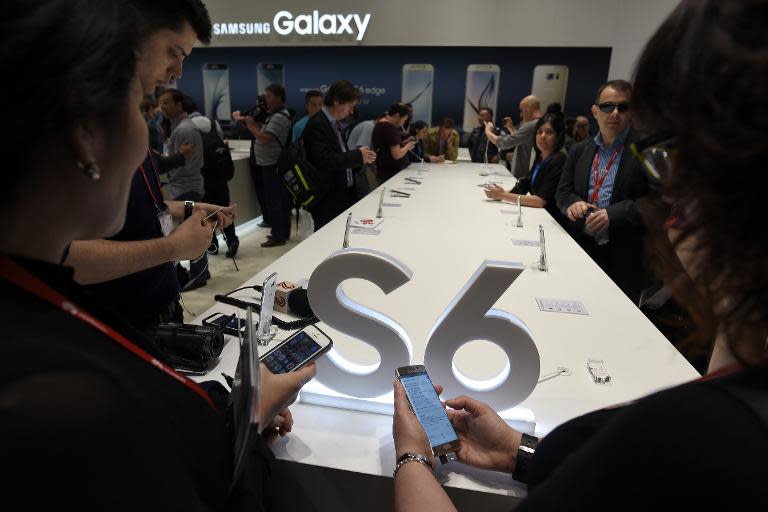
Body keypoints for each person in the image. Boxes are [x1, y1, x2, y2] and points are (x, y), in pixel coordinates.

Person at [393, 1, 768, 509]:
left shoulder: (692, 436)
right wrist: (518, 453)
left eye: (670, 157)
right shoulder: (709, 412)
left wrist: (412, 454)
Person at [0, 0, 317, 508]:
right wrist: (246, 425)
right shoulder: (65, 397)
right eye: (140, 101)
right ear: (86, 131)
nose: (147, 135)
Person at [63, 1, 234, 330]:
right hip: (117, 323)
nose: (178, 73)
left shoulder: (126, 118)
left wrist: (188, 207)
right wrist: (172, 247)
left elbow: (141, 207)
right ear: (132, 34)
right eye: (173, 52)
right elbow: (63, 254)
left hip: (159, 308)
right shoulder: (70, 127)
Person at [556, 79, 650, 302]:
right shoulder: (579, 150)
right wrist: (572, 203)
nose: (615, 113)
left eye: (623, 107)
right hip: (580, 245)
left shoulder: (646, 151)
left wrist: (612, 214)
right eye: (608, 106)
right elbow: (563, 192)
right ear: (595, 111)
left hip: (624, 255)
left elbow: (657, 203)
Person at [302, 79, 377, 231]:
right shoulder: (317, 124)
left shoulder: (333, 124)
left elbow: (338, 155)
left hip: (341, 196)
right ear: (336, 101)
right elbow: (325, 160)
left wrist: (359, 156)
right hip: (327, 200)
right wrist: (357, 156)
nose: (351, 111)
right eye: (349, 106)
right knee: (327, 243)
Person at [157, 88, 212, 287]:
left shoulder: (183, 129)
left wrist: (167, 173)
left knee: (191, 232)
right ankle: (201, 271)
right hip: (188, 186)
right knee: (193, 228)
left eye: (166, 103)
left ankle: (199, 274)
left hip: (186, 188)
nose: (162, 107)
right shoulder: (181, 127)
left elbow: (184, 164)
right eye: (160, 103)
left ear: (179, 105)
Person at [233, 83, 292, 247]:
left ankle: (279, 235)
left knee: (275, 201)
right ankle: (280, 232)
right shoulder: (274, 115)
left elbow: (265, 138)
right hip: (270, 164)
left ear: (279, 97)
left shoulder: (279, 117)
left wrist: (251, 124)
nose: (266, 100)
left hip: (273, 165)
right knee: (277, 200)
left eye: (269, 96)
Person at [484, 113, 568, 225]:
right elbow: (526, 184)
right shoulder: (541, 156)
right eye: (539, 132)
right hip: (537, 215)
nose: (542, 136)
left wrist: (503, 195)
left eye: (548, 132)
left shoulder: (558, 160)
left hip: (551, 221)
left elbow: (540, 201)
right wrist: (503, 192)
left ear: (558, 136)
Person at [485, 95, 542, 177]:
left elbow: (505, 143)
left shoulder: (531, 125)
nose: (521, 115)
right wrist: (511, 128)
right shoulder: (540, 123)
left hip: (524, 176)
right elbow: (521, 140)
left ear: (528, 108)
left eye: (521, 111)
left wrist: (488, 131)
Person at [372, 103, 416, 182]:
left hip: (384, 171)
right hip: (391, 175)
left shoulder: (380, 125)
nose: (403, 123)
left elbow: (387, 147)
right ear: (397, 115)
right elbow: (397, 154)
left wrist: (404, 143)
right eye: (403, 120)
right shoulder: (389, 128)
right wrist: (408, 146)